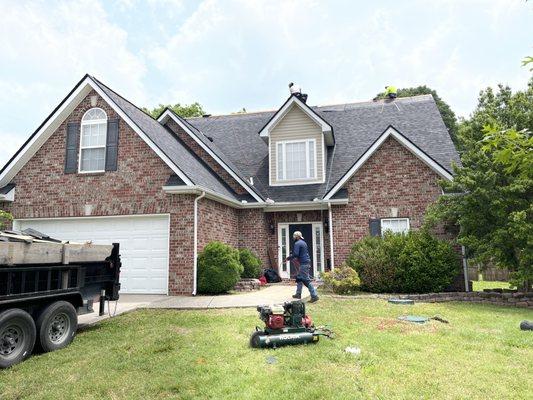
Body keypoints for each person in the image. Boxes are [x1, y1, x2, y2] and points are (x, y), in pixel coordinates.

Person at [286, 231, 319, 302]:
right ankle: (298, 294)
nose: (293, 238)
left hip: (304, 264)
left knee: (306, 280)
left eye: (294, 236)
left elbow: (296, 254)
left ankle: (314, 295)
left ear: (297, 237)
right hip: (305, 262)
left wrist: (289, 258)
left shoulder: (297, 243)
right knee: (299, 278)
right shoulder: (304, 243)